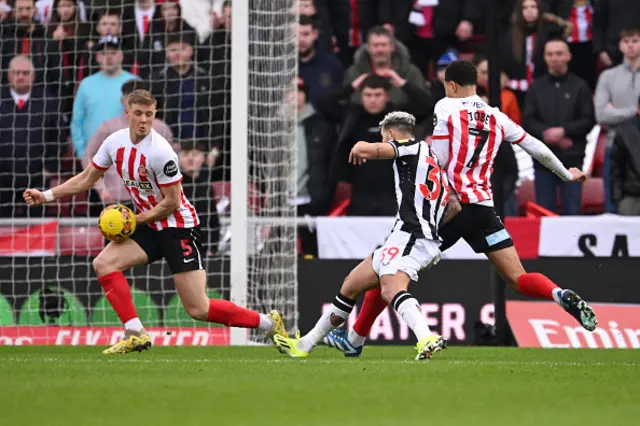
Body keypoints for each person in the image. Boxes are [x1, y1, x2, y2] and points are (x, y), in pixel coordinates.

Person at [324, 60, 598, 357]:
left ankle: (356, 338)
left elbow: (438, 158)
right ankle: (558, 293)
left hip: (450, 207)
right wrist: (567, 174)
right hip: (483, 209)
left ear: (452, 85)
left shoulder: (446, 108)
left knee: (388, 268)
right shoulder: (498, 117)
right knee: (518, 277)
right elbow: (536, 148)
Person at [23, 89, 288, 354]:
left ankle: (268, 322)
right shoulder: (113, 142)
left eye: (149, 114)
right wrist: (45, 195)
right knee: (103, 263)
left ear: (155, 114)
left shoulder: (161, 152)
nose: (143, 120)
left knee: (199, 308)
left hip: (178, 228)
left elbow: (171, 202)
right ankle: (135, 332)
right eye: (138, 113)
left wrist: (133, 220)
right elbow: (87, 178)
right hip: (149, 225)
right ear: (127, 112)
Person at [273, 111, 458, 360]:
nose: (384, 141)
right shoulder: (431, 157)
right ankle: (305, 345)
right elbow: (454, 207)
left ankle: (426, 337)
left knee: (391, 290)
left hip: (413, 236)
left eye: (384, 137)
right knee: (350, 285)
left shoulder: (410, 148)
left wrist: (360, 146)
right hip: (406, 235)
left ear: (391, 134)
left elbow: (365, 149)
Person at [523, 38, 595, 215]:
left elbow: (588, 119)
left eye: (559, 53)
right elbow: (528, 120)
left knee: (573, 212)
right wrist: (546, 134)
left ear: (568, 56)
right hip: (543, 159)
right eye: (550, 54)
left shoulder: (580, 86)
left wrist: (564, 131)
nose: (554, 58)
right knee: (545, 212)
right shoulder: (536, 87)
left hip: (572, 158)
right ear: (544, 58)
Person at [82, 80, 173, 205]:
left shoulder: (161, 129)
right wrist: (101, 187)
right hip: (115, 199)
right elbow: (88, 156)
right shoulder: (108, 127)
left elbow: (171, 162)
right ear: (122, 101)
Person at [594, 28, 640, 213]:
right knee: (614, 205)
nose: (630, 45)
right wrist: (633, 111)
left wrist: (616, 110)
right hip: (615, 145)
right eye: (626, 41)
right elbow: (601, 114)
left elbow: (610, 113)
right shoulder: (608, 76)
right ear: (620, 46)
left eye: (635, 41)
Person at [71, 35, 138, 158]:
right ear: (97, 57)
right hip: (94, 158)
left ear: (121, 56)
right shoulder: (86, 84)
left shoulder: (135, 83)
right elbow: (76, 122)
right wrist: (82, 153)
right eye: (104, 53)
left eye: (113, 53)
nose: (109, 57)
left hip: (128, 156)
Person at [610, 95, 640, 216]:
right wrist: (618, 199)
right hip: (632, 194)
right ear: (638, 109)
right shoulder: (625, 130)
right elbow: (615, 169)